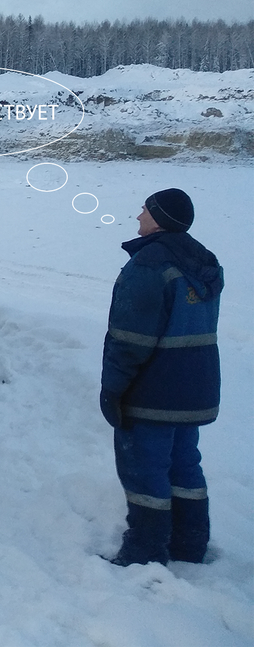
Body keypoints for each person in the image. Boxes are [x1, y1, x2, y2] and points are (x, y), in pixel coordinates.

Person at [100, 188, 222, 566]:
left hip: (153, 390)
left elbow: (129, 340)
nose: (138, 217)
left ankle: (145, 551)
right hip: (195, 387)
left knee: (144, 470)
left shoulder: (149, 265)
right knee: (184, 465)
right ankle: (189, 544)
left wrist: (114, 389)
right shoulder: (204, 262)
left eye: (144, 210)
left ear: (159, 218)